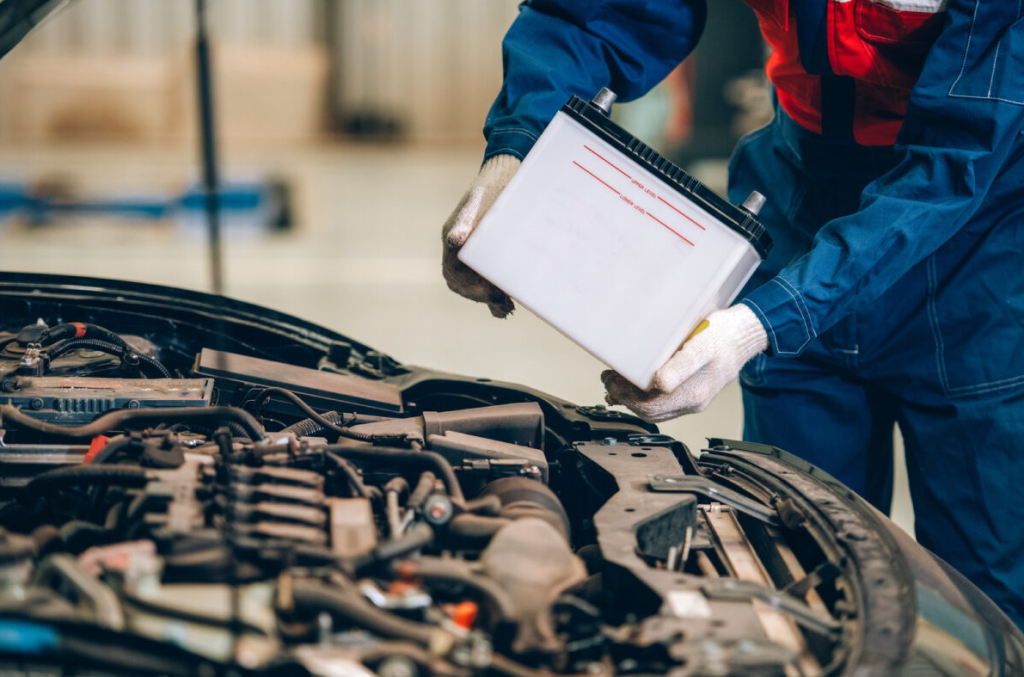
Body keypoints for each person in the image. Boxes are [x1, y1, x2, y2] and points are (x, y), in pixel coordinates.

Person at [441, 0, 1024, 629]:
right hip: (800, 199)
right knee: (799, 576)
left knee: (981, 601)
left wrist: (756, 323)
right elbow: (596, 15)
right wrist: (517, 150)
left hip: (972, 255)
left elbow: (956, 161)